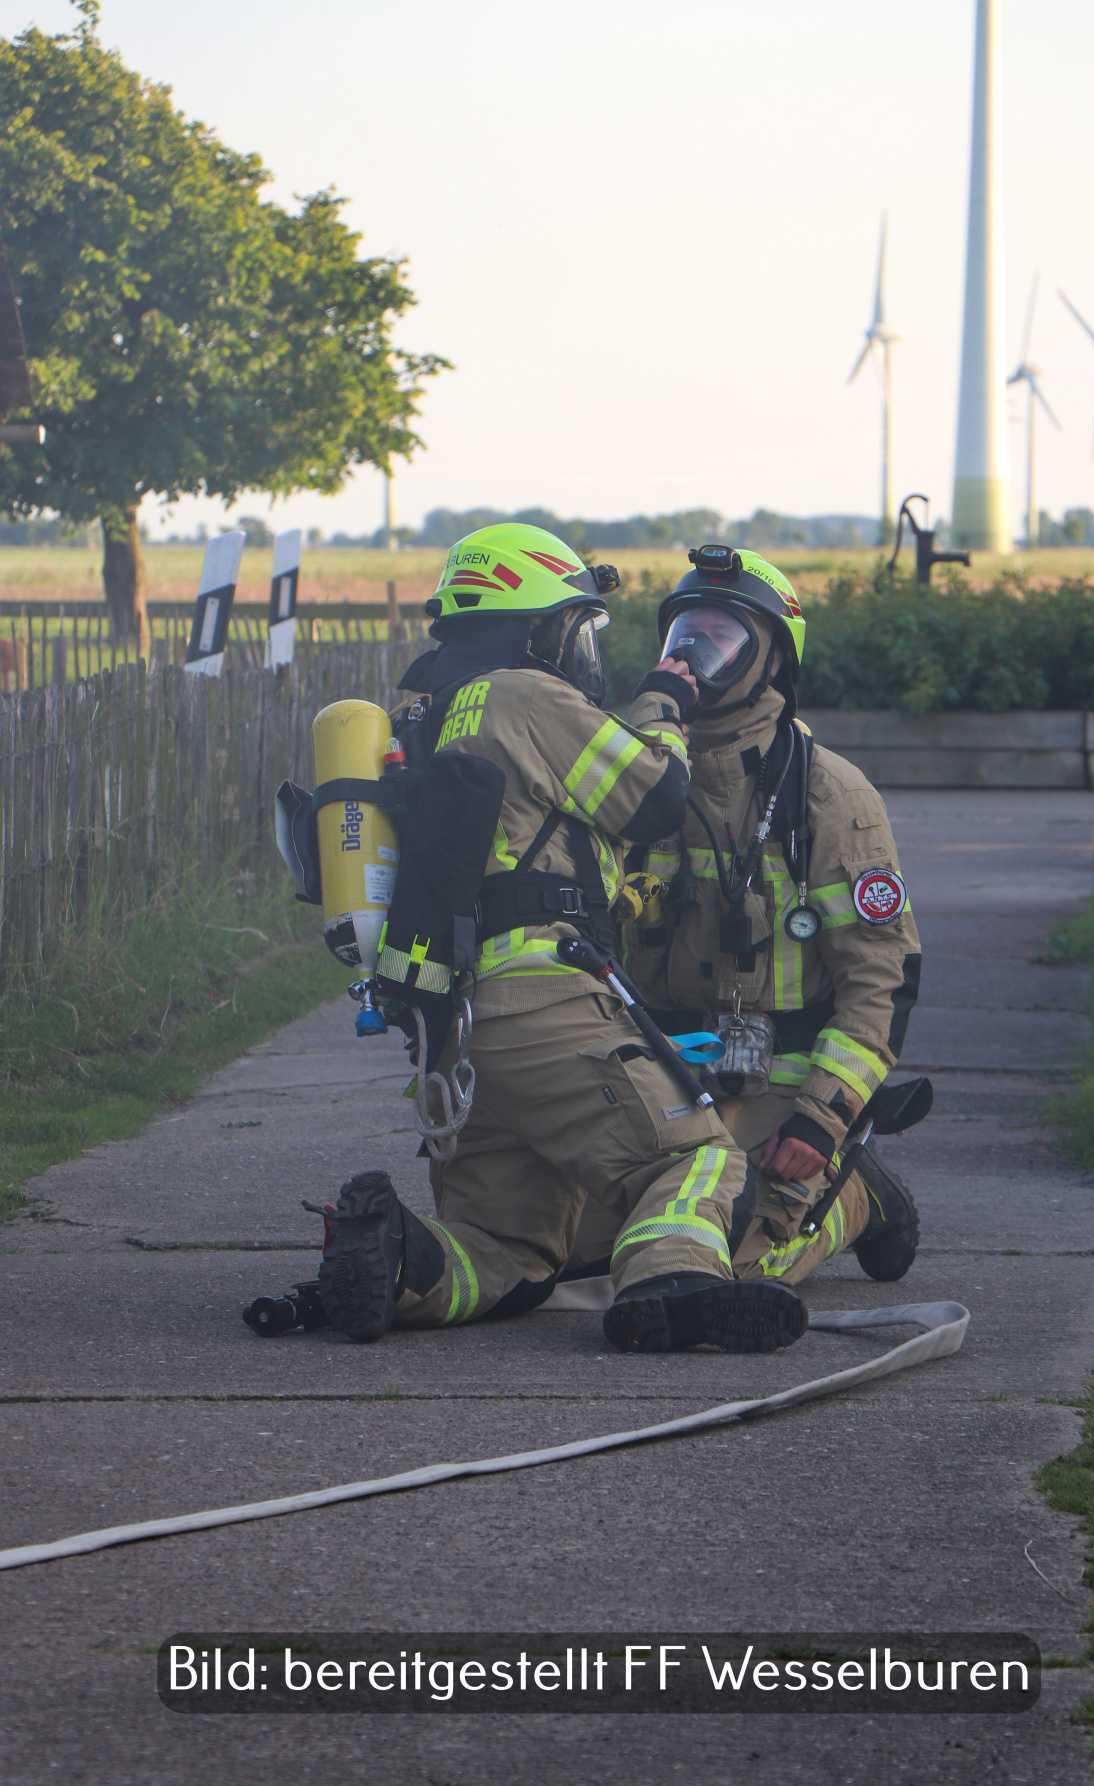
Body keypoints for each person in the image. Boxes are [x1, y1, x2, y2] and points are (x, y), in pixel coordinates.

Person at [316, 524, 810, 1354]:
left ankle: (403, 1258)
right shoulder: (523, 695)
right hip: (544, 1000)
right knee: (698, 1162)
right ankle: (671, 1286)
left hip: (458, 1027)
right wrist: (662, 701)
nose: (582, 646)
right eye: (577, 625)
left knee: (510, 1247)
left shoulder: (430, 711)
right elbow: (653, 799)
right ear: (540, 625)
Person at [567, 543, 922, 1290]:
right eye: (683, 635)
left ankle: (858, 1195)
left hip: (781, 1096)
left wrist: (820, 1121)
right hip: (663, 1083)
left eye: (721, 639)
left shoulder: (829, 796)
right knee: (582, 1251)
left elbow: (882, 983)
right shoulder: (637, 780)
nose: (695, 657)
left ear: (773, 663)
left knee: (735, 1264)